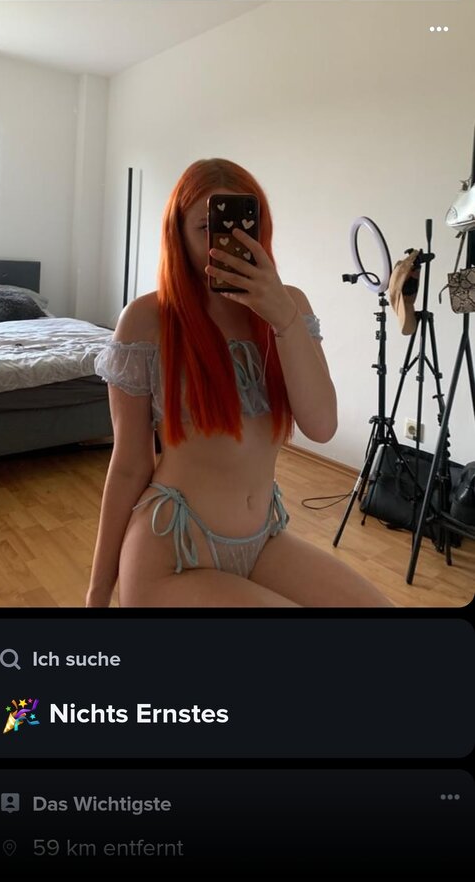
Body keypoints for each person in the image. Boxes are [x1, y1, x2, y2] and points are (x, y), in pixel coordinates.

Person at [87, 158, 391, 608]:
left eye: (243, 224)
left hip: (263, 541)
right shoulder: (148, 320)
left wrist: (284, 319)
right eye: (206, 227)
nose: (227, 240)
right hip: (173, 551)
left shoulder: (290, 306)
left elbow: (321, 426)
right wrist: (97, 593)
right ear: (178, 234)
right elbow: (130, 464)